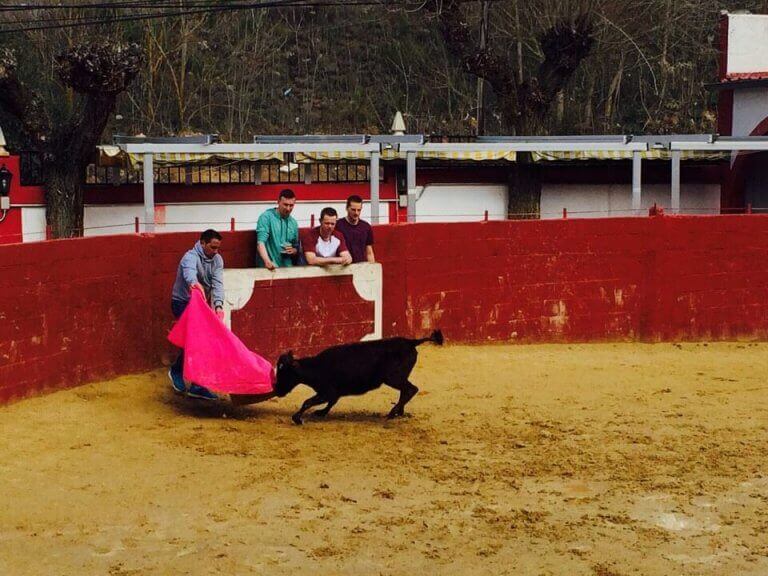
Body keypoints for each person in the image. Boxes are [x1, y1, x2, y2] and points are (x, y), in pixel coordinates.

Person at [168, 229, 224, 400]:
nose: (215, 252)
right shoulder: (190, 257)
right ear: (202, 243)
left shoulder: (218, 260)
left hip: (200, 304)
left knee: (199, 341)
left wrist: (219, 305)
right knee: (196, 340)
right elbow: (189, 273)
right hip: (182, 302)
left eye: (217, 248)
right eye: (212, 247)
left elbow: (218, 283)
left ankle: (194, 382)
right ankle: (181, 373)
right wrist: (194, 284)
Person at [256, 189, 299, 270]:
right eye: (285, 205)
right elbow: (260, 242)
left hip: (287, 268)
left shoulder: (293, 223)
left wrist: (294, 250)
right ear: (278, 201)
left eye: (291, 205)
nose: (288, 208)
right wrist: (267, 261)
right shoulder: (266, 217)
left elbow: (296, 246)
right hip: (269, 268)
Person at [334, 194, 375, 263]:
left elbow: (369, 252)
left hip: (362, 267)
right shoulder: (338, 225)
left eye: (359, 210)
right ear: (347, 208)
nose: (356, 213)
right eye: (353, 210)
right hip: (343, 266)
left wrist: (372, 269)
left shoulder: (366, 227)